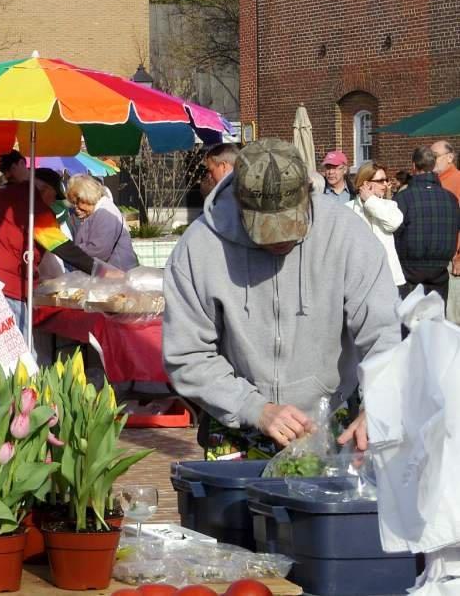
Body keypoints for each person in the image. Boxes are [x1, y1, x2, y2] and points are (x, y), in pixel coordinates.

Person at [163, 138, 401, 460]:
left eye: (291, 226)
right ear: (239, 203)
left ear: (307, 194)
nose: (280, 239)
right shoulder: (199, 247)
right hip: (236, 422)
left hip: (331, 421)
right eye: (265, 230)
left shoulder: (348, 235)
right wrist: (254, 408)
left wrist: (382, 403)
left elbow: (383, 332)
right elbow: (188, 354)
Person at [0, 167, 97, 335]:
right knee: (15, 349)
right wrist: (99, 269)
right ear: (44, 189)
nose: (53, 202)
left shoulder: (0, 196)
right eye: (53, 196)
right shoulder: (34, 206)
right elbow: (62, 247)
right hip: (7, 286)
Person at [393, 145, 460, 304]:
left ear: (414, 166)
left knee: (409, 322)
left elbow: (394, 231)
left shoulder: (403, 198)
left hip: (409, 270)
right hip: (441, 269)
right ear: (432, 165)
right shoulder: (450, 199)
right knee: (435, 322)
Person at [345, 161, 405, 287]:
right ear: (366, 184)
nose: (385, 184)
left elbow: (393, 223)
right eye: (380, 180)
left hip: (388, 279)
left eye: (386, 179)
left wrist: (370, 201)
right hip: (359, 281)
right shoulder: (348, 209)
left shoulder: (390, 205)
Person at [66, 174, 138, 270]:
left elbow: (99, 250)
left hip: (116, 275)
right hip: (109, 275)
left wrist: (72, 251)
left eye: (77, 202)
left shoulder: (105, 212)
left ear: (86, 196)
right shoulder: (97, 212)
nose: (76, 208)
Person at [430, 140, 460, 323]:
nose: (431, 160)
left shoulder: (457, 181)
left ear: (450, 157)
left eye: (435, 156)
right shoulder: (434, 181)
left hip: (453, 261)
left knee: (453, 318)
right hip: (436, 260)